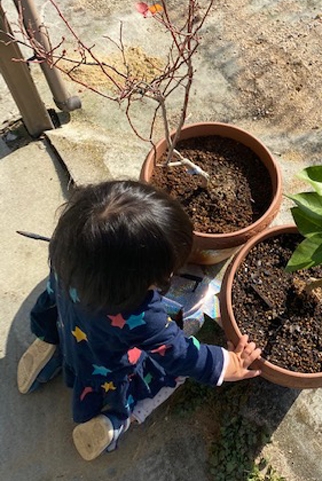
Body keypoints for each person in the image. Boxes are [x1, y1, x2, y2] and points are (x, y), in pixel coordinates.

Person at [17, 180, 262, 461]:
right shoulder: (140, 315)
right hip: (103, 371)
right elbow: (180, 355)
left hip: (66, 323)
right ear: (134, 284)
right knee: (174, 374)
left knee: (64, 325)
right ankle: (117, 420)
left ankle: (50, 345)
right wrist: (227, 363)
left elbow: (51, 293)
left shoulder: (68, 258)